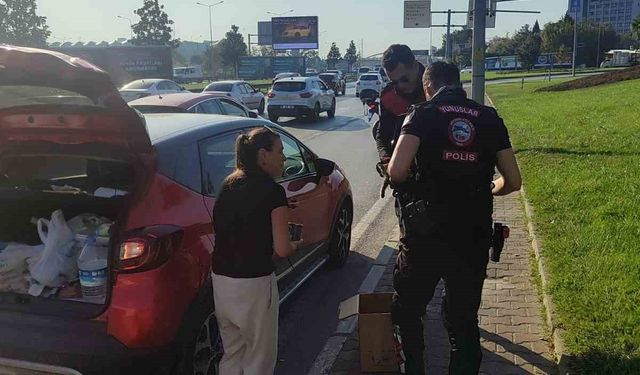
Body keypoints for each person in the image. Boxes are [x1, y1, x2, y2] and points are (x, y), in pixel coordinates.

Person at [387, 61, 522, 374]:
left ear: (428, 87)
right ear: (458, 84)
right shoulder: (488, 118)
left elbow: (396, 171)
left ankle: (414, 368)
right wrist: (490, 187)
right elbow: (513, 182)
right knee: (463, 319)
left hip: (425, 236)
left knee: (407, 310)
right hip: (472, 236)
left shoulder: (422, 114)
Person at [212, 127, 302, 375]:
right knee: (259, 358)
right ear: (263, 155)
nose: (284, 158)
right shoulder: (273, 191)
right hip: (254, 283)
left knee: (233, 352)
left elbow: (242, 221)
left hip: (221, 280)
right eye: (281, 151)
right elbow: (283, 249)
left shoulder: (228, 184)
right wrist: (298, 244)